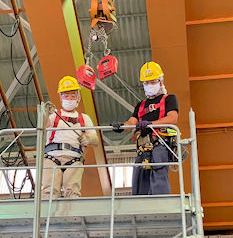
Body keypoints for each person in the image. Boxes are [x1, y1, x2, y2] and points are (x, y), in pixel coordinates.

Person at [112, 61, 178, 195]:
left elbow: (172, 118)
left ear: (160, 81)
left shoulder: (168, 99)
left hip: (159, 144)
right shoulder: (141, 105)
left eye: (152, 82)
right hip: (143, 148)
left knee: (158, 176)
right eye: (146, 83)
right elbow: (131, 122)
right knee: (138, 180)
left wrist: (151, 124)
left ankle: (160, 204)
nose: (149, 86)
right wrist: (121, 127)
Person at [43, 76, 99, 198]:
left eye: (73, 95)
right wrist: (45, 113)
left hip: (74, 158)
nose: (69, 98)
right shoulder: (54, 115)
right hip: (52, 157)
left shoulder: (84, 118)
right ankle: (47, 216)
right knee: (49, 191)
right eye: (66, 95)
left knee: (72, 191)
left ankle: (72, 216)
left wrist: (88, 139)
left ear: (77, 97)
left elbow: (95, 140)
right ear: (60, 97)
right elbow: (42, 126)